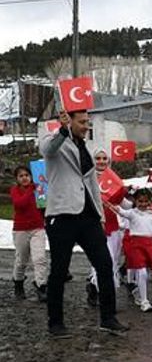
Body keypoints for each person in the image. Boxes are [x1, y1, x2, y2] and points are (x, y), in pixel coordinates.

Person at [39, 110, 129, 338]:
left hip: (88, 217)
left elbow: (91, 184)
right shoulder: (55, 141)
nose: (86, 126)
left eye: (87, 122)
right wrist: (61, 129)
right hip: (62, 215)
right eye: (81, 122)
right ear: (70, 122)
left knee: (105, 265)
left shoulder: (87, 148)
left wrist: (99, 216)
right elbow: (47, 150)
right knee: (59, 271)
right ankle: (55, 322)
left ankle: (108, 318)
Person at [108, 188, 152, 313]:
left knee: (146, 273)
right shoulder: (132, 213)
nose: (143, 204)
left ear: (150, 201)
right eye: (140, 201)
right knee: (142, 272)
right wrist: (110, 204)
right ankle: (144, 301)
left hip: (149, 245)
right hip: (136, 245)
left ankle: (139, 292)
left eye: (146, 201)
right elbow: (121, 212)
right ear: (135, 201)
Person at [86, 148, 127, 307]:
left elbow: (124, 205)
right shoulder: (87, 178)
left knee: (112, 260)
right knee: (100, 260)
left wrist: (134, 198)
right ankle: (97, 289)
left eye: (104, 158)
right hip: (94, 225)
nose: (101, 161)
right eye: (98, 158)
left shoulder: (114, 180)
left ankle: (98, 288)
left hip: (112, 226)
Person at [10, 165, 48, 302]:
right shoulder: (15, 190)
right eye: (21, 176)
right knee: (21, 261)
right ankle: (18, 283)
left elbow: (45, 204)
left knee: (40, 259)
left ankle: (41, 286)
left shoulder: (39, 188)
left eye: (27, 175)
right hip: (20, 230)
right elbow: (19, 204)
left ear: (31, 176)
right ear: (17, 179)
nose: (24, 178)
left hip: (37, 228)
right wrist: (31, 190)